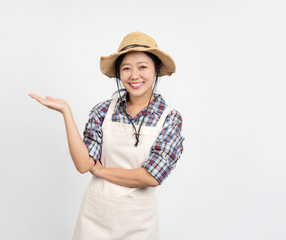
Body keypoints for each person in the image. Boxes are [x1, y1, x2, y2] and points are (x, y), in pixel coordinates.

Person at [29, 32, 184, 240]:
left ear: (156, 70)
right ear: (119, 74)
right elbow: (84, 165)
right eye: (126, 68)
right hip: (95, 217)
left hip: (139, 224)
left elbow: (151, 176)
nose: (134, 75)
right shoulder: (103, 111)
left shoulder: (169, 118)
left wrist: (102, 172)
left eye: (142, 67)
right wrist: (66, 112)